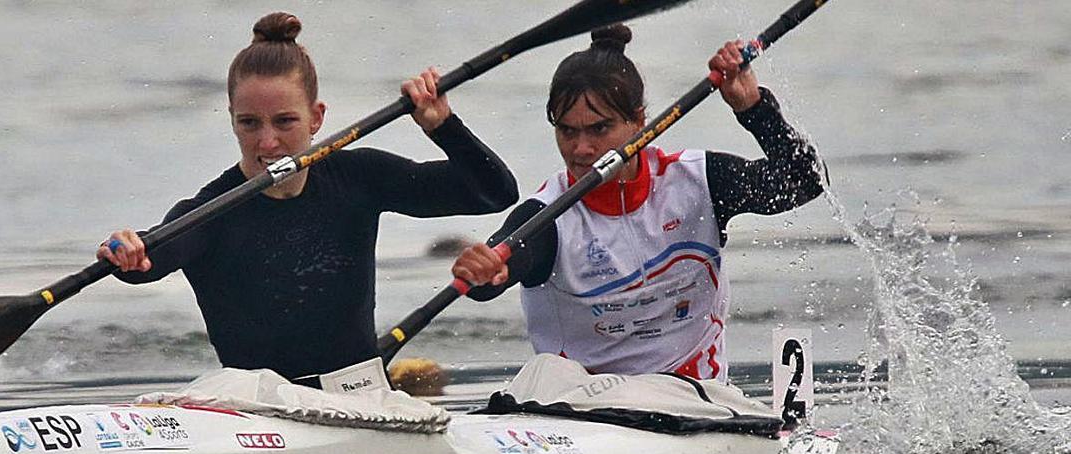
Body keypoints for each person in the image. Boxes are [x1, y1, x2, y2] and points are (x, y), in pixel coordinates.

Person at [99, 12, 518, 382]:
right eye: (249, 123)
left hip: (357, 394)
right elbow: (146, 264)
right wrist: (127, 250)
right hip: (257, 406)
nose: (267, 142)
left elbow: (493, 192)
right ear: (231, 119)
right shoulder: (211, 211)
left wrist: (442, 126)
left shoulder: (359, 175)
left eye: (285, 121)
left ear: (317, 118)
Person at [451, 25, 822, 382]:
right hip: (586, 409)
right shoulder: (548, 216)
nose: (581, 149)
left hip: (694, 399)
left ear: (639, 122)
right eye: (567, 131)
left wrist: (753, 108)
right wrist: (488, 272)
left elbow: (806, 182)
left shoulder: (698, 181)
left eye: (599, 129)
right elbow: (499, 273)